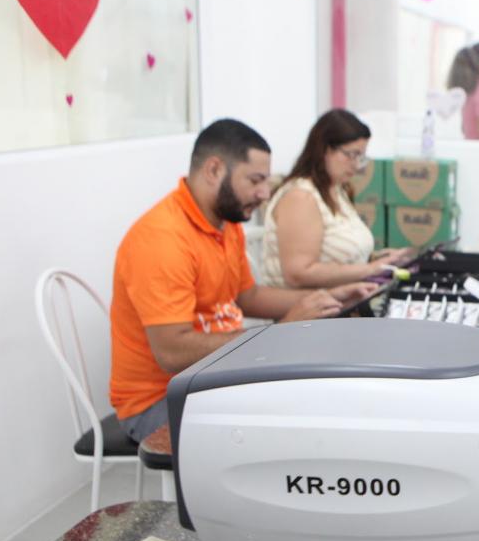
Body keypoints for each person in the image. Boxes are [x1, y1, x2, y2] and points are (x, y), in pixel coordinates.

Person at [110, 119, 374, 442]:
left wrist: (330, 296)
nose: (264, 194)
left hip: (214, 374)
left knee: (321, 397)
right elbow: (172, 352)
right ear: (213, 170)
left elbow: (248, 297)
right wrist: (277, 334)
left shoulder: (225, 221)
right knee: (295, 425)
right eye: (255, 180)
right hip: (161, 400)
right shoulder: (162, 240)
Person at [261, 109, 413, 288]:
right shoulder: (300, 197)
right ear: (324, 150)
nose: (356, 165)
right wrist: (371, 269)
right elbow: (299, 274)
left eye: (361, 157)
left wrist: (381, 259)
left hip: (339, 301)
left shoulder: (337, 190)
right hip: (308, 309)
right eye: (351, 155)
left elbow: (340, 255)